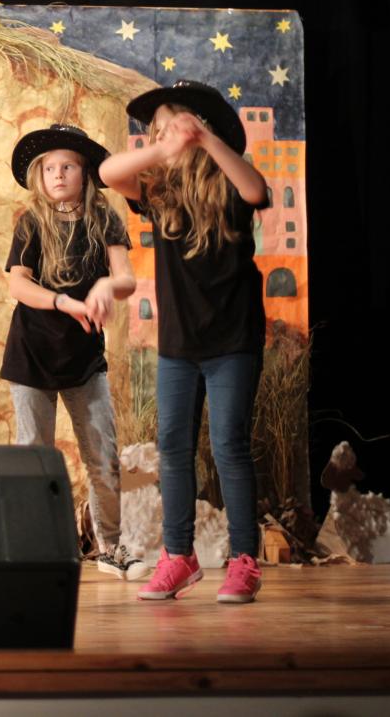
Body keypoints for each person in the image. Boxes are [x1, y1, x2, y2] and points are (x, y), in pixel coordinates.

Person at [99, 80, 269, 604]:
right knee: (173, 448)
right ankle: (179, 557)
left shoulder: (227, 185)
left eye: (172, 126)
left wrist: (205, 141)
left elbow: (256, 191)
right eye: (156, 130)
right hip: (179, 345)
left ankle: (244, 560)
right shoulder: (159, 192)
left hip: (232, 340)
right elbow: (109, 173)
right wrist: (163, 148)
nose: (163, 136)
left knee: (228, 446)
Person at [2, 124, 145, 580]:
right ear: (39, 177)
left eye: (67, 166)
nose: (58, 175)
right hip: (32, 354)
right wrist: (63, 301)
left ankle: (111, 547)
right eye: (50, 168)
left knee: (103, 456)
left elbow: (126, 279)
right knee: (34, 455)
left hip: (83, 358)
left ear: (85, 173)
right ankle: (34, 549)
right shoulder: (31, 222)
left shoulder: (105, 220)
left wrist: (106, 286)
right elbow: (18, 284)